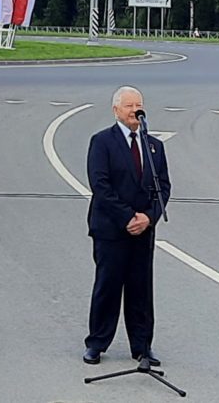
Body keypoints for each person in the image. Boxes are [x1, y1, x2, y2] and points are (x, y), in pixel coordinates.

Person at [84, 85, 171, 366]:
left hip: (143, 232)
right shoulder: (102, 142)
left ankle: (142, 347)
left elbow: (164, 187)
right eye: (130, 106)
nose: (136, 111)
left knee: (141, 289)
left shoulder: (154, 145)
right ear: (116, 110)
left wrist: (148, 217)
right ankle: (96, 343)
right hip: (111, 229)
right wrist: (128, 218)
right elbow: (100, 186)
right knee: (108, 287)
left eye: (139, 105)